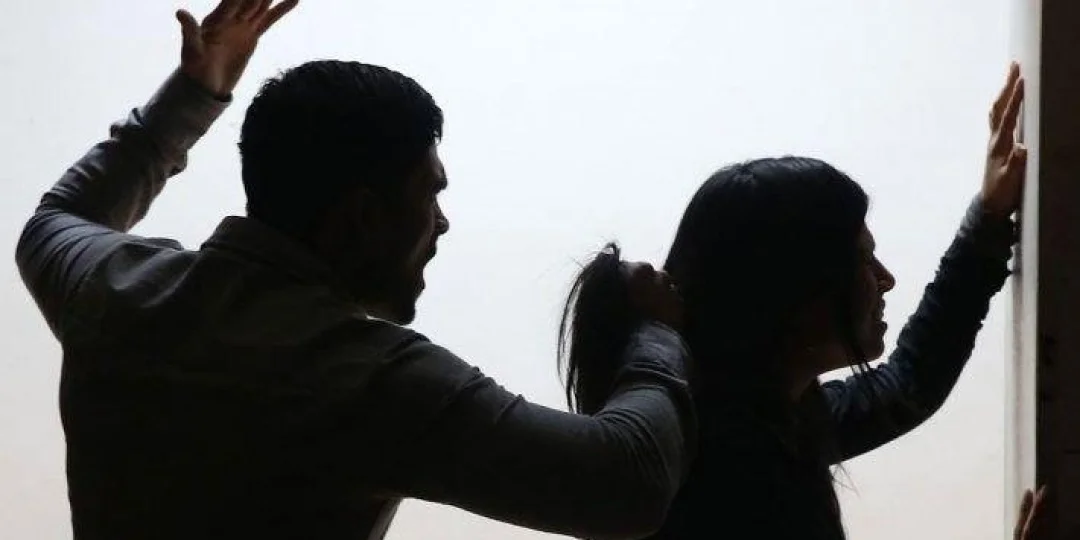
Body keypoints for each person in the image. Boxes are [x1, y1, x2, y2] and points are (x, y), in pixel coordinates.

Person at [14, 2, 696, 539]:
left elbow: (58, 216)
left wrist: (192, 96)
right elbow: (626, 483)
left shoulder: (110, 288)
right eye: (430, 195)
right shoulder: (370, 382)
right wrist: (655, 332)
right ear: (362, 218)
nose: (442, 223)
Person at [558, 64, 1026, 539]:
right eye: (863, 260)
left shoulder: (767, 418)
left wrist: (988, 220)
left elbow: (909, 383)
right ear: (796, 296)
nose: (886, 280)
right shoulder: (732, 477)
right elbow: (907, 388)